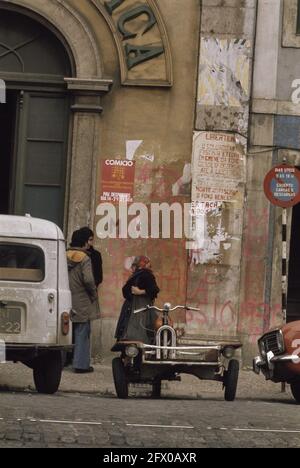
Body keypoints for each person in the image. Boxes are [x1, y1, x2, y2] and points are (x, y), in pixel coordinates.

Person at [67, 229, 100, 373]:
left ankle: (62, 362)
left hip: (66, 299)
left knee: (66, 332)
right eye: (90, 240)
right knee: (82, 332)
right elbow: (88, 279)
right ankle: (80, 365)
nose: (91, 243)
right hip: (82, 300)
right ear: (84, 241)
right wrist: (93, 294)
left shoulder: (64, 255)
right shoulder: (84, 258)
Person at [115, 256, 160, 344]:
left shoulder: (141, 274)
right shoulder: (145, 274)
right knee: (140, 330)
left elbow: (154, 290)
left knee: (133, 330)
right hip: (139, 307)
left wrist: (140, 292)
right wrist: (141, 292)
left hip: (135, 307)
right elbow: (154, 290)